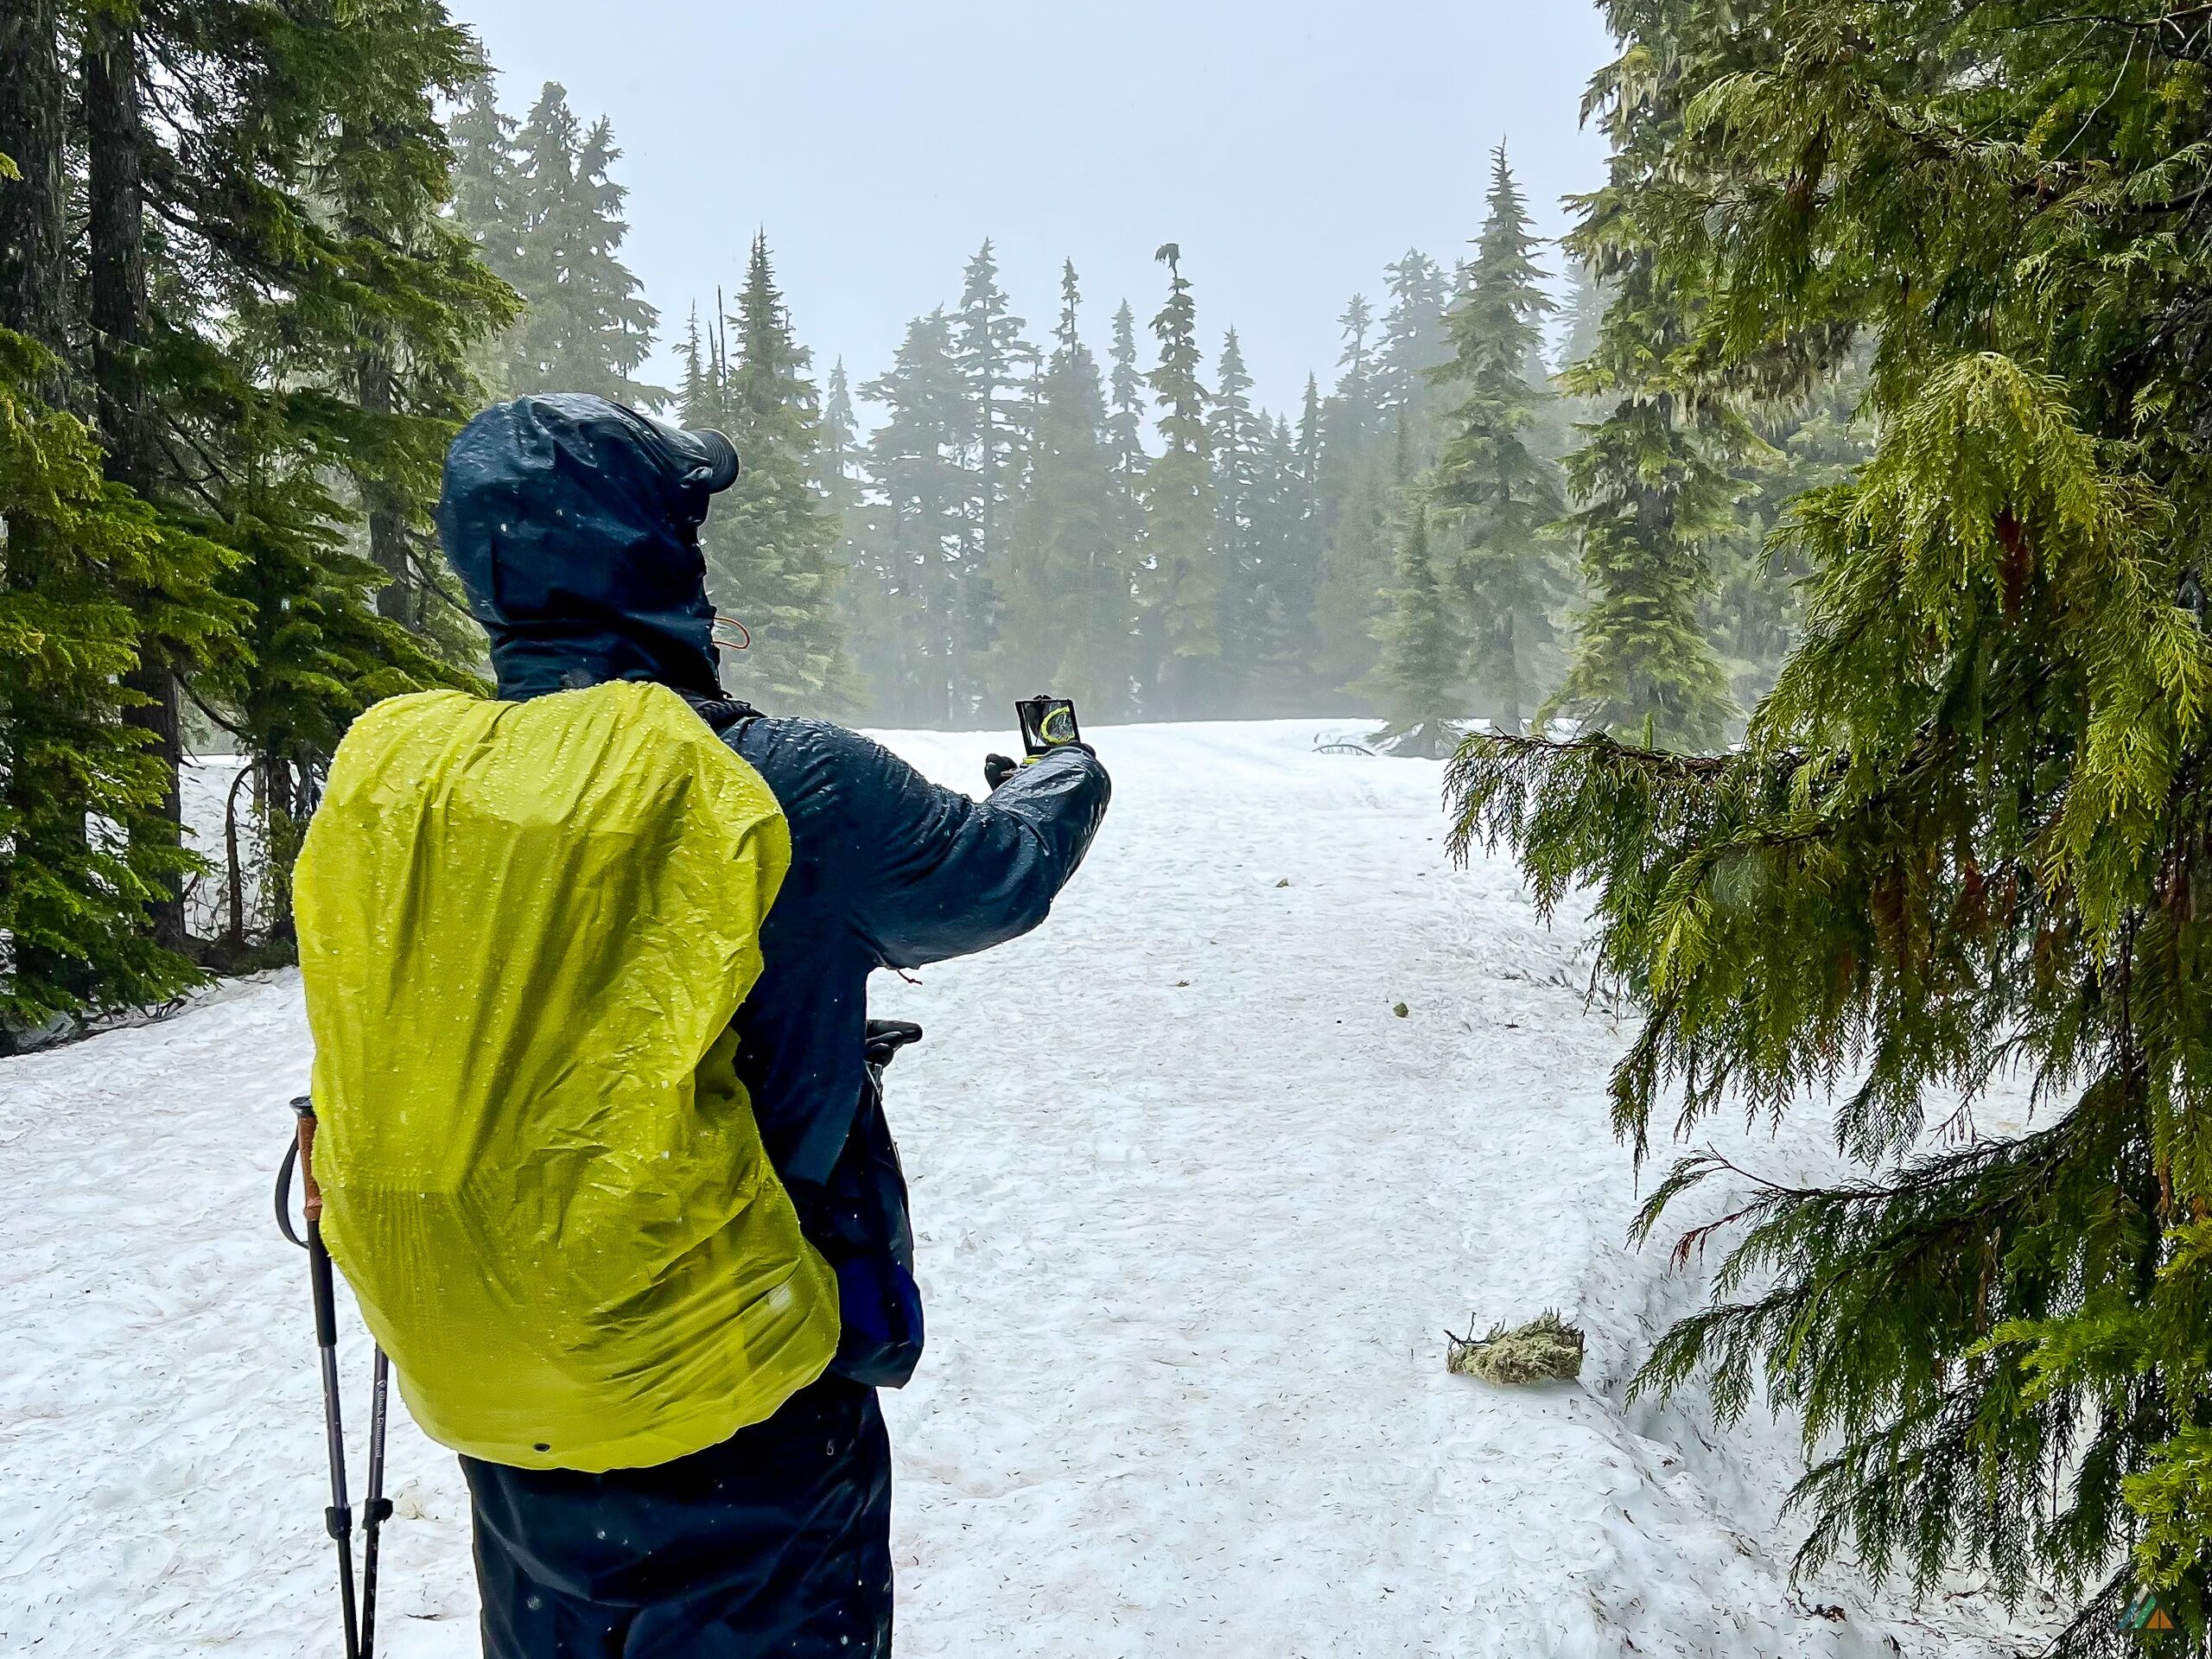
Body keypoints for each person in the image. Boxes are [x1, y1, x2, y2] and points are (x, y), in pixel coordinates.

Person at [296, 393, 1111, 1658]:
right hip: (736, 1391)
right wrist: (1068, 769)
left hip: (503, 1386)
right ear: (659, 556)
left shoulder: (411, 781)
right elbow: (998, 879)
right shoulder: (782, 778)